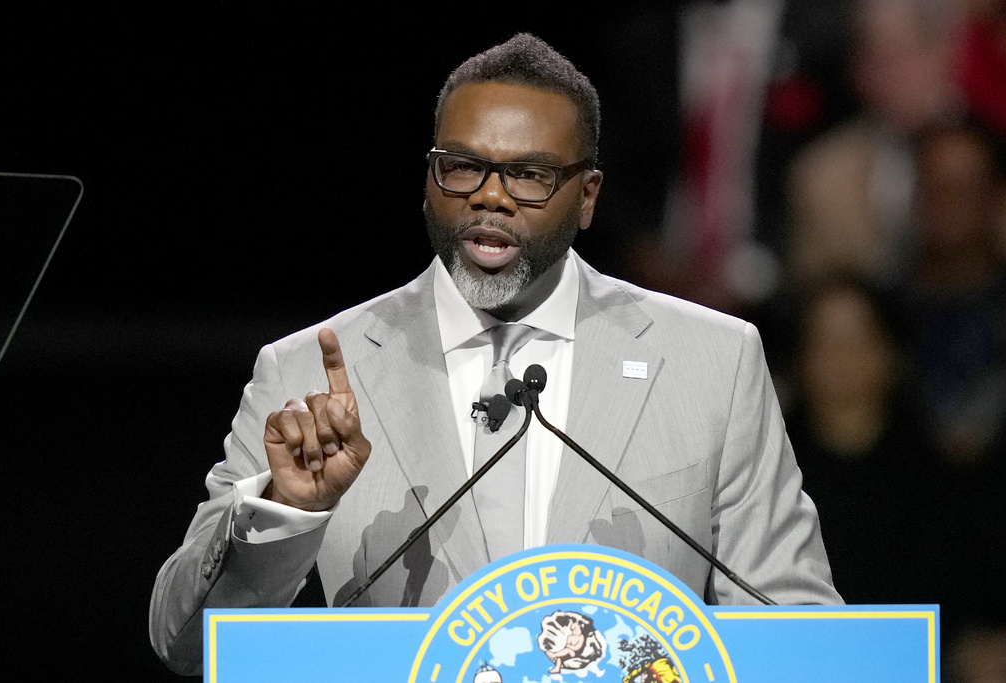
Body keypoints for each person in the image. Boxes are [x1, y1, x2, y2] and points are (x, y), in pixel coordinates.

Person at [150, 34, 841, 675]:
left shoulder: (712, 362)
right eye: (463, 167)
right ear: (429, 180)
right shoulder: (308, 373)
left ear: (587, 196)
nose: (489, 196)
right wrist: (283, 512)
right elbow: (187, 644)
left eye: (529, 175)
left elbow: (801, 633)